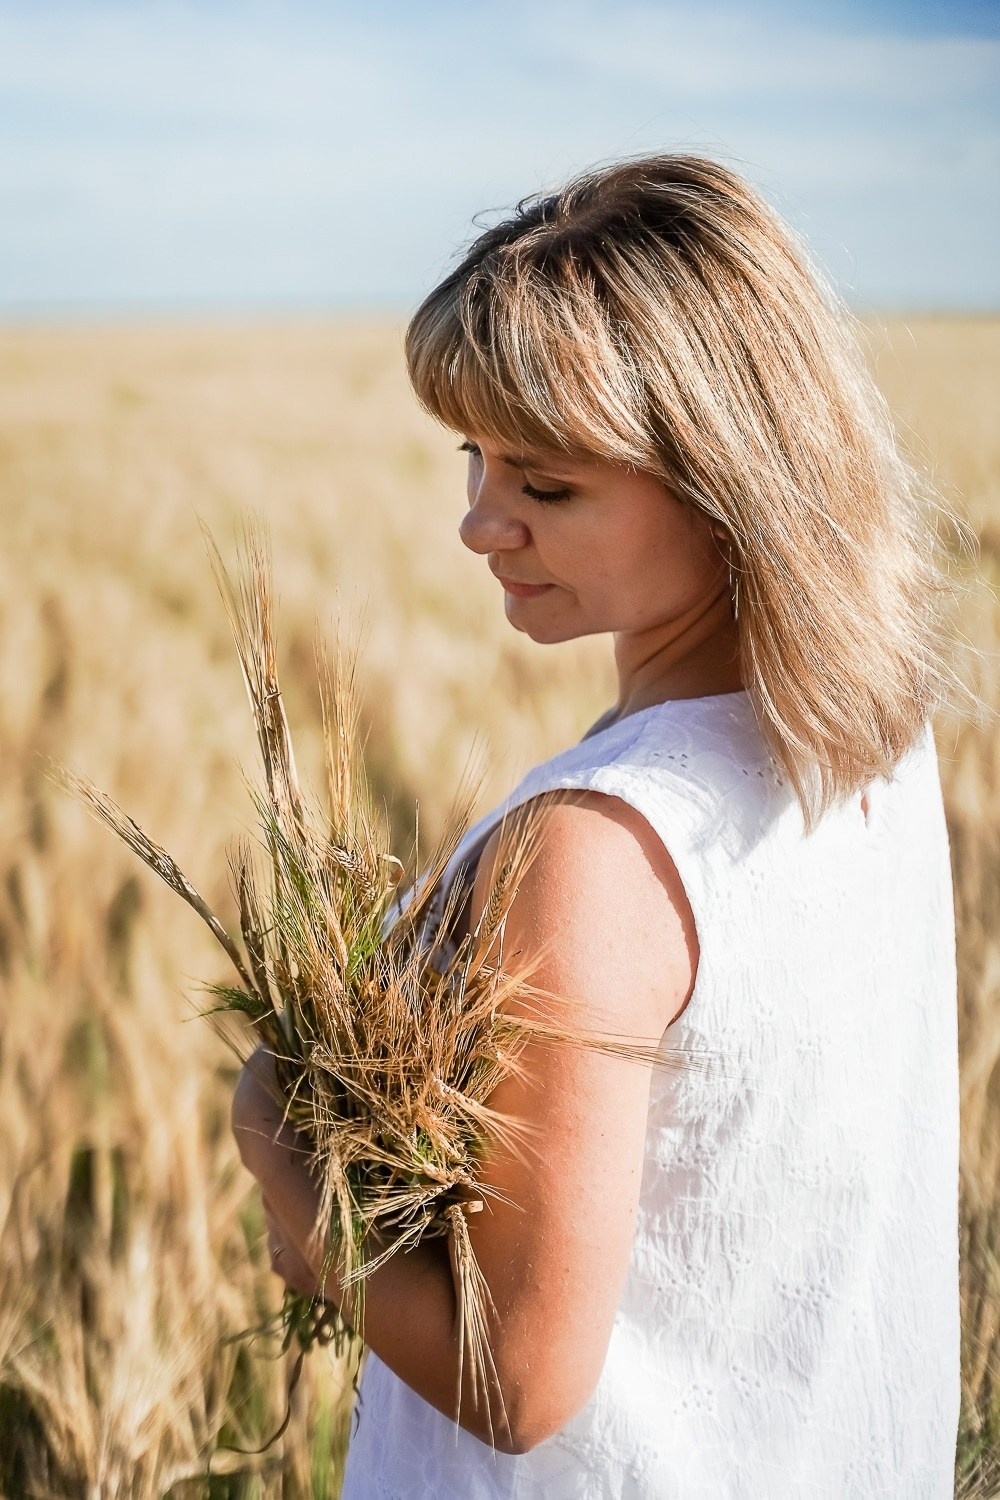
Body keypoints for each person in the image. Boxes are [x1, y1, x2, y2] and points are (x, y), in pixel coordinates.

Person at [232, 153, 962, 1498]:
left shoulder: (599, 847)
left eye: (547, 485)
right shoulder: (874, 745)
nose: (478, 522)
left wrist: (283, 1163)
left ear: (729, 479)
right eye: (475, 457)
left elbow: (515, 1383)